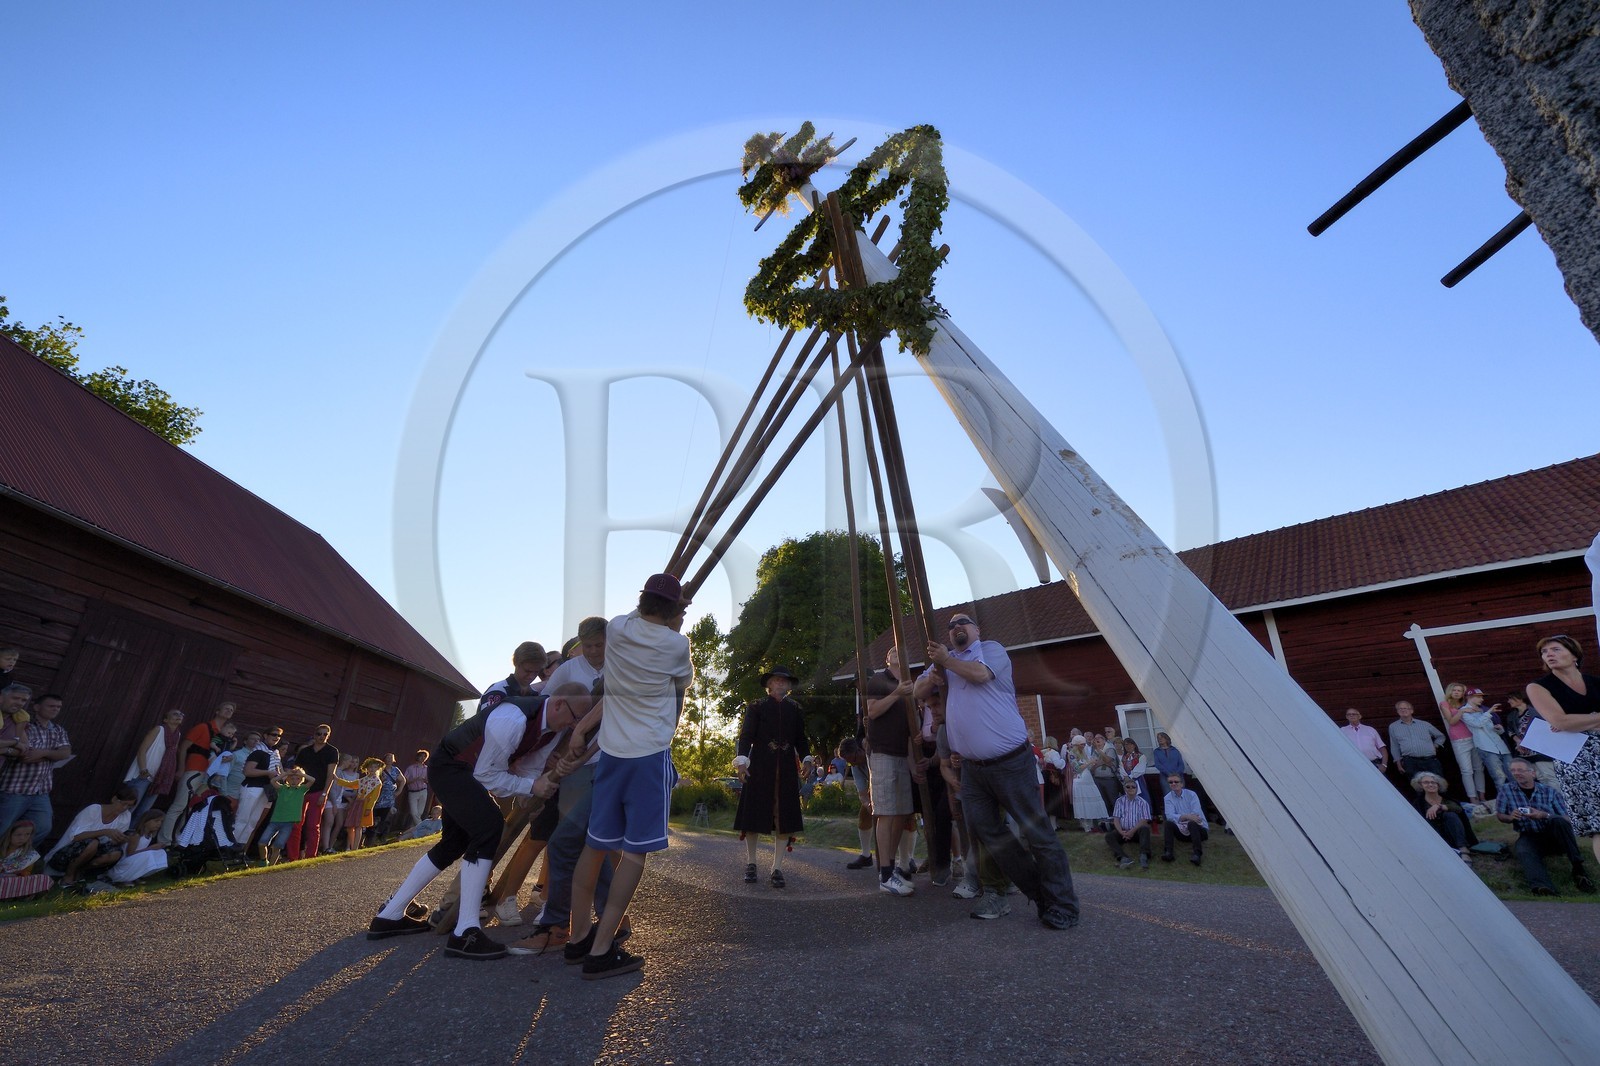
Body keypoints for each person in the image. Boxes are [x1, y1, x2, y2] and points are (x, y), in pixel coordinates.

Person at [369, 669, 594, 962]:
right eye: (576, 718)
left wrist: (532, 793)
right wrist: (531, 786)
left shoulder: (552, 729)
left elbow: (528, 768)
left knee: (453, 843)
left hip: (467, 771)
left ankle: (390, 915)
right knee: (489, 827)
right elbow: (487, 775)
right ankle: (465, 931)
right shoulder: (511, 719)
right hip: (450, 766)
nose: (576, 726)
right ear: (559, 703)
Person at [915, 611, 1079, 930]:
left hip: (1010, 761)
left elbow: (979, 675)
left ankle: (1064, 904)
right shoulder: (944, 662)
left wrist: (945, 663)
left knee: (1037, 833)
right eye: (950, 626)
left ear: (976, 629)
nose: (955, 627)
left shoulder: (991, 650)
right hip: (974, 769)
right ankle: (1041, 895)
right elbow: (918, 693)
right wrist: (930, 678)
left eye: (963, 622)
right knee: (987, 833)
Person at [566, 574, 693, 979]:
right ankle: (601, 950)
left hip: (612, 752)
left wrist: (667, 608)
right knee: (634, 853)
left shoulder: (617, 628)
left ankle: (578, 937)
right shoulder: (677, 644)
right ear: (674, 611)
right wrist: (676, 618)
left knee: (595, 846)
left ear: (642, 600)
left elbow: (642, 618)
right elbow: (681, 685)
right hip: (648, 754)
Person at [1524, 631, 1600, 869]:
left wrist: (1583, 720)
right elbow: (1560, 722)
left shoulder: (1595, 682)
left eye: (1555, 649)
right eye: (1545, 652)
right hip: (1577, 757)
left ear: (1574, 654)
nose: (1549, 654)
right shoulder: (1539, 687)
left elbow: (1569, 721)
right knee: (1599, 823)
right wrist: (1593, 718)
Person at [731, 666, 810, 888]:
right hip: (760, 768)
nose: (781, 684)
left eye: (785, 681)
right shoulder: (756, 707)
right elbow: (746, 737)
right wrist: (741, 763)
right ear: (769, 684)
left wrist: (806, 759)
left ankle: (777, 868)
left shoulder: (795, 709)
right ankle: (752, 863)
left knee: (784, 818)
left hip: (785, 770)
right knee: (755, 816)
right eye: (777, 680)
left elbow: (801, 739)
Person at [863, 647, 919, 896]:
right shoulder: (879, 679)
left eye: (901, 649)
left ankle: (893, 867)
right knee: (885, 812)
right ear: (887, 659)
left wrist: (912, 760)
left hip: (901, 753)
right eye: (892, 650)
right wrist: (897, 692)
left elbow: (909, 727)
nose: (897, 651)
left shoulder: (910, 684)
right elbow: (872, 711)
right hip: (883, 752)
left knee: (901, 813)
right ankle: (884, 873)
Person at [1496, 757, 1596, 895]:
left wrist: (1543, 815)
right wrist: (1510, 817)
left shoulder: (1550, 791)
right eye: (1513, 770)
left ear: (1533, 773)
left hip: (1553, 833)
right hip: (1529, 834)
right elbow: (1500, 815)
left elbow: (1567, 819)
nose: (1516, 773)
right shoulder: (1506, 790)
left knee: (1558, 821)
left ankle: (1579, 871)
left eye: (1520, 770)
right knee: (1523, 849)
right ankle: (1543, 887)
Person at [159, 701, 234, 845]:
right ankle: (164, 841)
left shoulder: (225, 734)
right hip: (194, 770)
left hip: (208, 776)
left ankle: (180, 839)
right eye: (226, 708)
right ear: (217, 711)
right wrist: (181, 768)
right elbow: (184, 747)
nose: (229, 711)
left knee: (192, 807)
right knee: (179, 806)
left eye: (231, 710)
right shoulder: (203, 727)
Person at [0, 693, 72, 843]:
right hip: (15, 789)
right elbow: (25, 756)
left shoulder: (58, 730)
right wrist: (53, 754)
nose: (55, 709)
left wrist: (43, 752)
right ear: (37, 707)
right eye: (51, 706)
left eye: (58, 707)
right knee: (3, 828)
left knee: (42, 827)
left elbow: (66, 753)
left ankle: (12, 862)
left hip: (41, 791)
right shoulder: (24, 726)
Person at [43, 784, 136, 887]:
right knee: (92, 843)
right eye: (123, 804)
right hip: (64, 853)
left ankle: (80, 871)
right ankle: (68, 876)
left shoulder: (126, 816)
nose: (124, 808)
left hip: (93, 852)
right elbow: (76, 836)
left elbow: (110, 843)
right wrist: (105, 831)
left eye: (129, 806)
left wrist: (122, 839)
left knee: (116, 853)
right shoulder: (94, 810)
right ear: (114, 799)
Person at [286, 724, 339, 861]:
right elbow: (296, 770)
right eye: (319, 734)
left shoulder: (332, 751)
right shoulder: (305, 751)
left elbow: (330, 775)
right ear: (314, 735)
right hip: (301, 790)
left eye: (325, 734)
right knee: (296, 823)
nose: (321, 737)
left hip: (318, 791)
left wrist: (324, 793)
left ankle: (311, 856)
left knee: (313, 825)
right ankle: (293, 856)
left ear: (328, 736)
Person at [125, 709, 184, 822]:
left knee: (144, 812)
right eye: (175, 714)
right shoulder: (158, 730)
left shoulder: (178, 735)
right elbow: (142, 749)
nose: (179, 716)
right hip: (144, 775)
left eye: (181, 714)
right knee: (130, 807)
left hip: (159, 778)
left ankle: (130, 834)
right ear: (165, 719)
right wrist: (143, 769)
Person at [1409, 771, 1474, 859]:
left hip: (1452, 832)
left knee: (1450, 815)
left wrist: (1439, 806)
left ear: (1438, 785)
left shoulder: (1446, 799)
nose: (1430, 785)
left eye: (1433, 782)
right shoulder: (1419, 804)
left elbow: (1458, 808)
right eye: (1426, 782)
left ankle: (1463, 849)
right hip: (1435, 836)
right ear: (1420, 785)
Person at [1440, 681, 1486, 804]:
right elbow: (1451, 721)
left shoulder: (1466, 703)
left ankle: (1482, 796)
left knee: (1479, 768)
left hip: (1474, 737)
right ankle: (1473, 798)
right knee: (1466, 770)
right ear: (1450, 691)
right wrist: (1462, 712)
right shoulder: (1445, 704)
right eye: (1454, 690)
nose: (1456, 692)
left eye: (1459, 690)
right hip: (1459, 740)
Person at [1460, 689, 1512, 798]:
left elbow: (1491, 728)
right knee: (1499, 777)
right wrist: (1489, 712)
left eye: (1482, 697)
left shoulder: (1483, 710)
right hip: (1486, 746)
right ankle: (1506, 802)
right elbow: (1477, 724)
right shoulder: (1464, 711)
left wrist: (1499, 729)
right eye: (1478, 697)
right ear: (1469, 697)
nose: (1481, 699)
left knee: (1513, 774)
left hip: (1500, 746)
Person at [261, 766, 314, 866]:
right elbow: (273, 781)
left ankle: (271, 866)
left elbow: (312, 780)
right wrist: (285, 774)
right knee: (263, 842)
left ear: (301, 780)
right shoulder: (282, 788)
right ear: (288, 780)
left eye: (297, 779)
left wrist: (301, 774)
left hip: (288, 821)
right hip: (277, 818)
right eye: (292, 778)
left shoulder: (301, 789)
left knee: (277, 845)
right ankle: (264, 861)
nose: (294, 781)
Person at [107, 810, 169, 884]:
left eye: (161, 821)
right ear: (146, 821)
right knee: (148, 854)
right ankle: (126, 878)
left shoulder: (149, 836)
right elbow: (129, 854)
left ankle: (135, 876)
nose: (159, 824)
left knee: (161, 852)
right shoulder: (136, 835)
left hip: (133, 861)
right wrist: (150, 848)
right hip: (123, 864)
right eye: (156, 821)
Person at [1388, 701, 1446, 779]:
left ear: (1412, 710)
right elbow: (1394, 746)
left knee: (1438, 783)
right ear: (1397, 711)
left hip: (1430, 760)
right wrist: (1398, 764)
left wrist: (1436, 745)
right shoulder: (1393, 727)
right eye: (1400, 709)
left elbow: (1441, 736)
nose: (1403, 710)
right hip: (1410, 762)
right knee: (1417, 787)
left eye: (1405, 708)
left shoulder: (1424, 724)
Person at [1161, 773, 1208, 865]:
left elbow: (1196, 814)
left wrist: (1180, 817)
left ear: (1182, 784)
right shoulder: (1167, 798)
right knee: (1168, 824)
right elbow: (1169, 816)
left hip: (1198, 830)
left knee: (1192, 823)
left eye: (1176, 782)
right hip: (1182, 831)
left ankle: (1197, 854)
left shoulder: (1192, 795)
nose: (1173, 784)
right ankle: (1168, 853)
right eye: (1170, 782)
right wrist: (1187, 816)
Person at [0, 820, 52, 900]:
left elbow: (27, 874)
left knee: (44, 879)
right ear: (9, 834)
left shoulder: (30, 854)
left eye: (27, 834)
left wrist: (20, 873)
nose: (22, 838)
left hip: (15, 881)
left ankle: (19, 895)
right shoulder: (1, 850)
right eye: (18, 835)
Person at [1106, 778, 1153, 868]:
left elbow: (1144, 820)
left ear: (1136, 789)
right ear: (1124, 789)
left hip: (1137, 832)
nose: (1130, 788)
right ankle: (1123, 857)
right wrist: (1121, 832)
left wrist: (1131, 831)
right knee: (1109, 836)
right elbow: (1116, 819)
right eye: (1128, 787)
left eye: (1133, 787)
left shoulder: (1143, 803)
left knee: (1145, 829)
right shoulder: (1119, 801)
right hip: (1123, 832)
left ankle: (1144, 856)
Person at [1067, 735, 1107, 832]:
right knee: (1083, 803)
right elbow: (1077, 768)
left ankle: (1094, 824)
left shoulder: (1084, 754)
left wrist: (1093, 763)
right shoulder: (1071, 754)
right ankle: (1086, 825)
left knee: (1092, 801)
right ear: (1076, 745)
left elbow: (1088, 768)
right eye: (1081, 744)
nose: (1083, 746)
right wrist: (1089, 762)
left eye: (1084, 744)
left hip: (1088, 779)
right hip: (1080, 781)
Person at [403, 750, 431, 830]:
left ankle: (413, 830)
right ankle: (423, 829)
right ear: (417, 757)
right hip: (413, 792)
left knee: (419, 813)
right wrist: (415, 779)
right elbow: (406, 781)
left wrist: (425, 780)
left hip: (423, 791)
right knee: (414, 812)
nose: (423, 758)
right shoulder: (410, 768)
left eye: (424, 757)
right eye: (421, 756)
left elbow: (429, 780)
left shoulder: (426, 769)